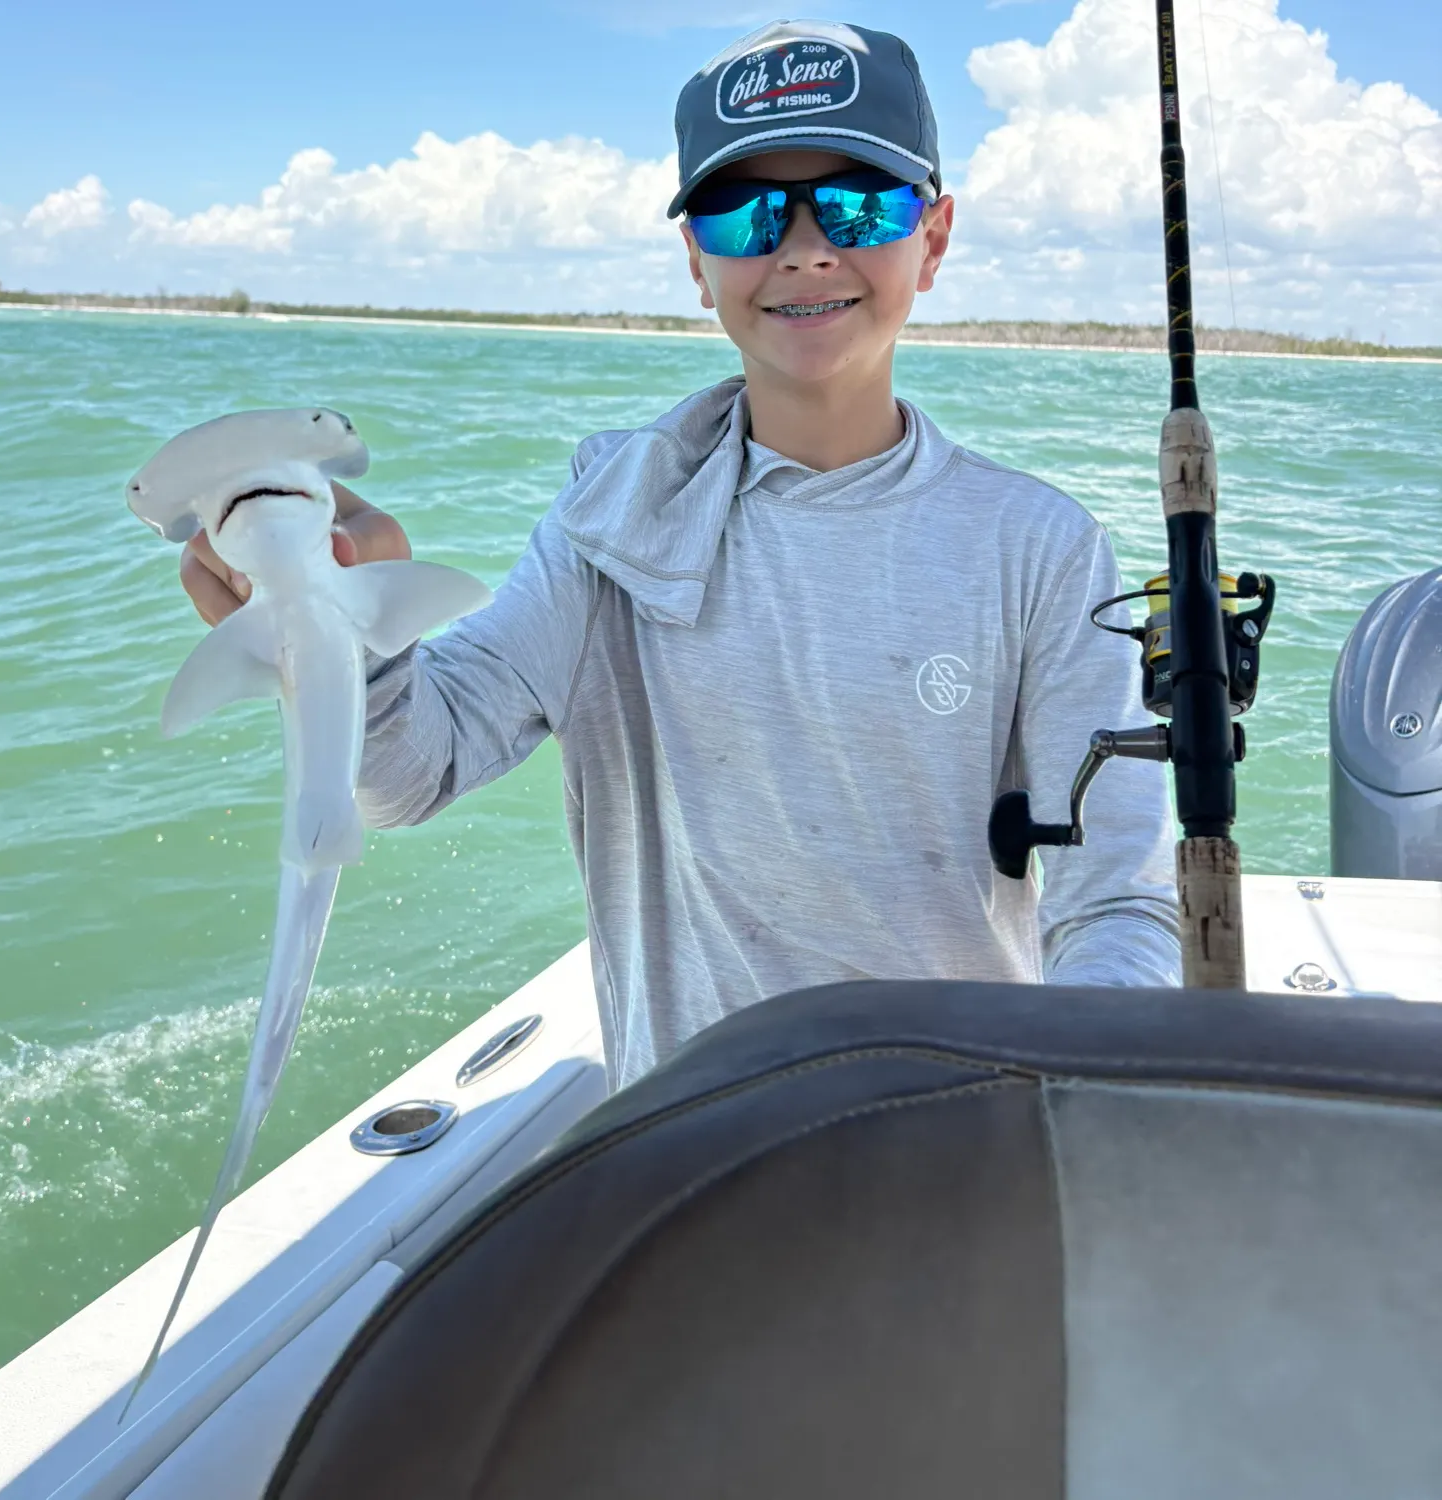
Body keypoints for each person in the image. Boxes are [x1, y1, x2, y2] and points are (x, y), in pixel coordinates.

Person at [180, 19, 1180, 1091]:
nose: (803, 248)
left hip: (957, 1137)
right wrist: (337, 624)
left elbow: (1116, 902)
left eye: (857, 203)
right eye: (744, 213)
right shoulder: (610, 522)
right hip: (692, 1150)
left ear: (931, 238)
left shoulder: (1042, 545)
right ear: (696, 263)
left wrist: (1083, 1092)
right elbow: (407, 773)